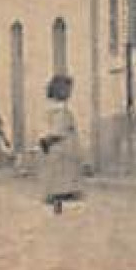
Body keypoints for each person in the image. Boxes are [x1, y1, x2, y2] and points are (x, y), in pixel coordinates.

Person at [37, 75, 82, 214]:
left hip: (61, 150)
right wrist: (49, 140)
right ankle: (59, 209)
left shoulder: (56, 109)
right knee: (60, 181)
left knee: (60, 180)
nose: (69, 93)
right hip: (59, 148)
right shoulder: (58, 110)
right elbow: (56, 130)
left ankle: (59, 208)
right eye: (67, 90)